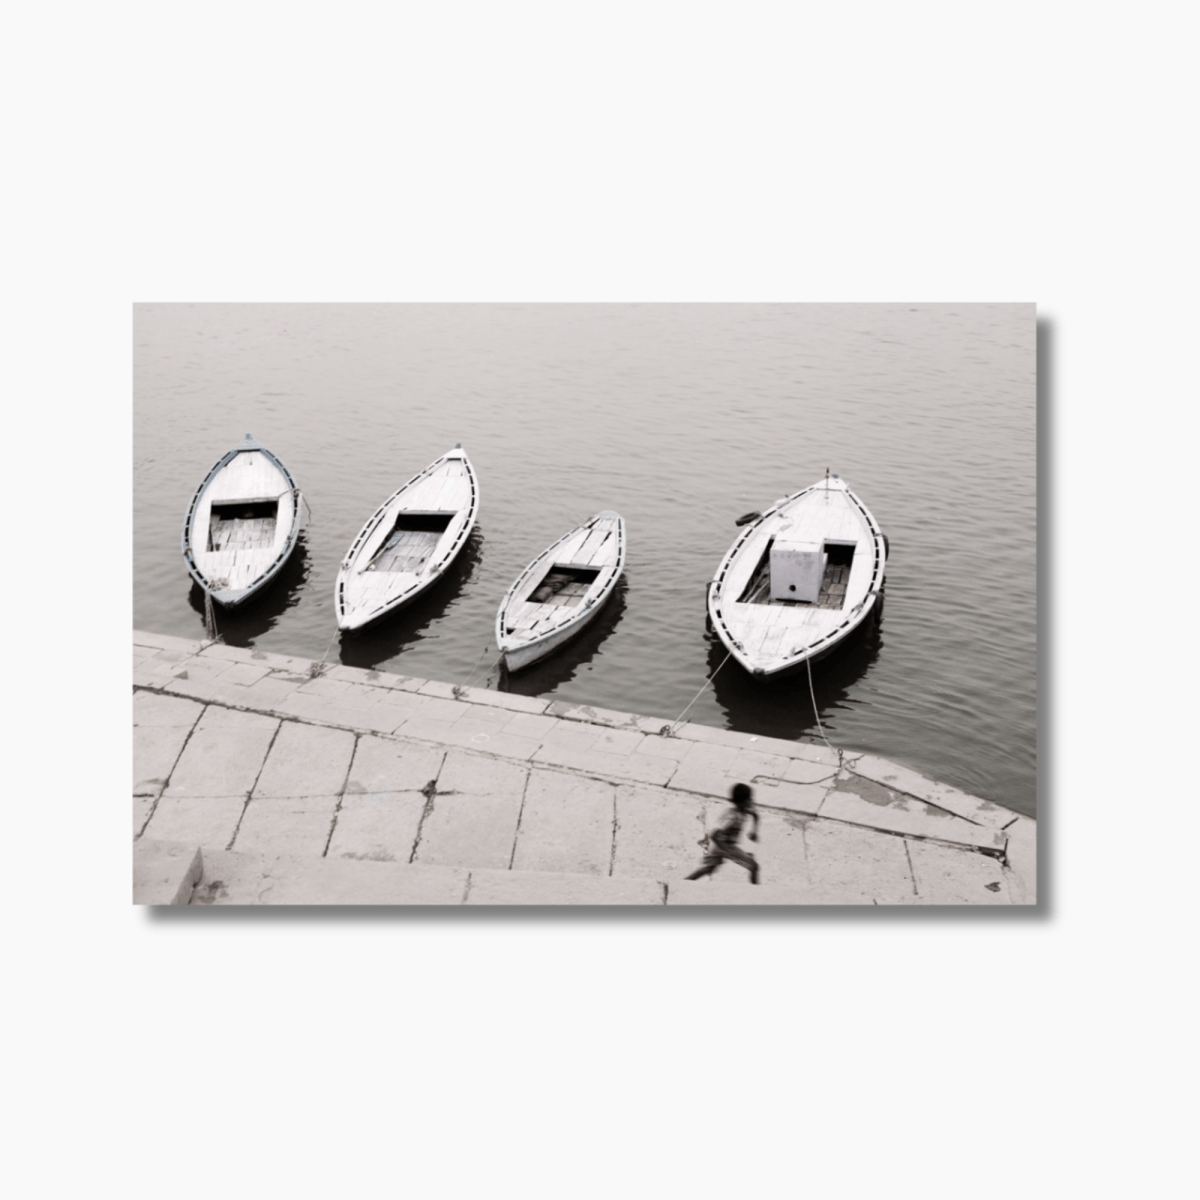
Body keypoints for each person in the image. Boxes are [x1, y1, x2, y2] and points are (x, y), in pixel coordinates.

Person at [685, 782, 760, 884]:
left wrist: (754, 831)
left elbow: (756, 815)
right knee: (754, 866)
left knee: (708, 868)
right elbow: (714, 834)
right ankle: (756, 893)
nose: (751, 801)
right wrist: (727, 850)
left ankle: (684, 882)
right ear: (741, 802)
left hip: (720, 847)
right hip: (725, 846)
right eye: (749, 799)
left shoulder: (745, 809)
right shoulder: (732, 816)